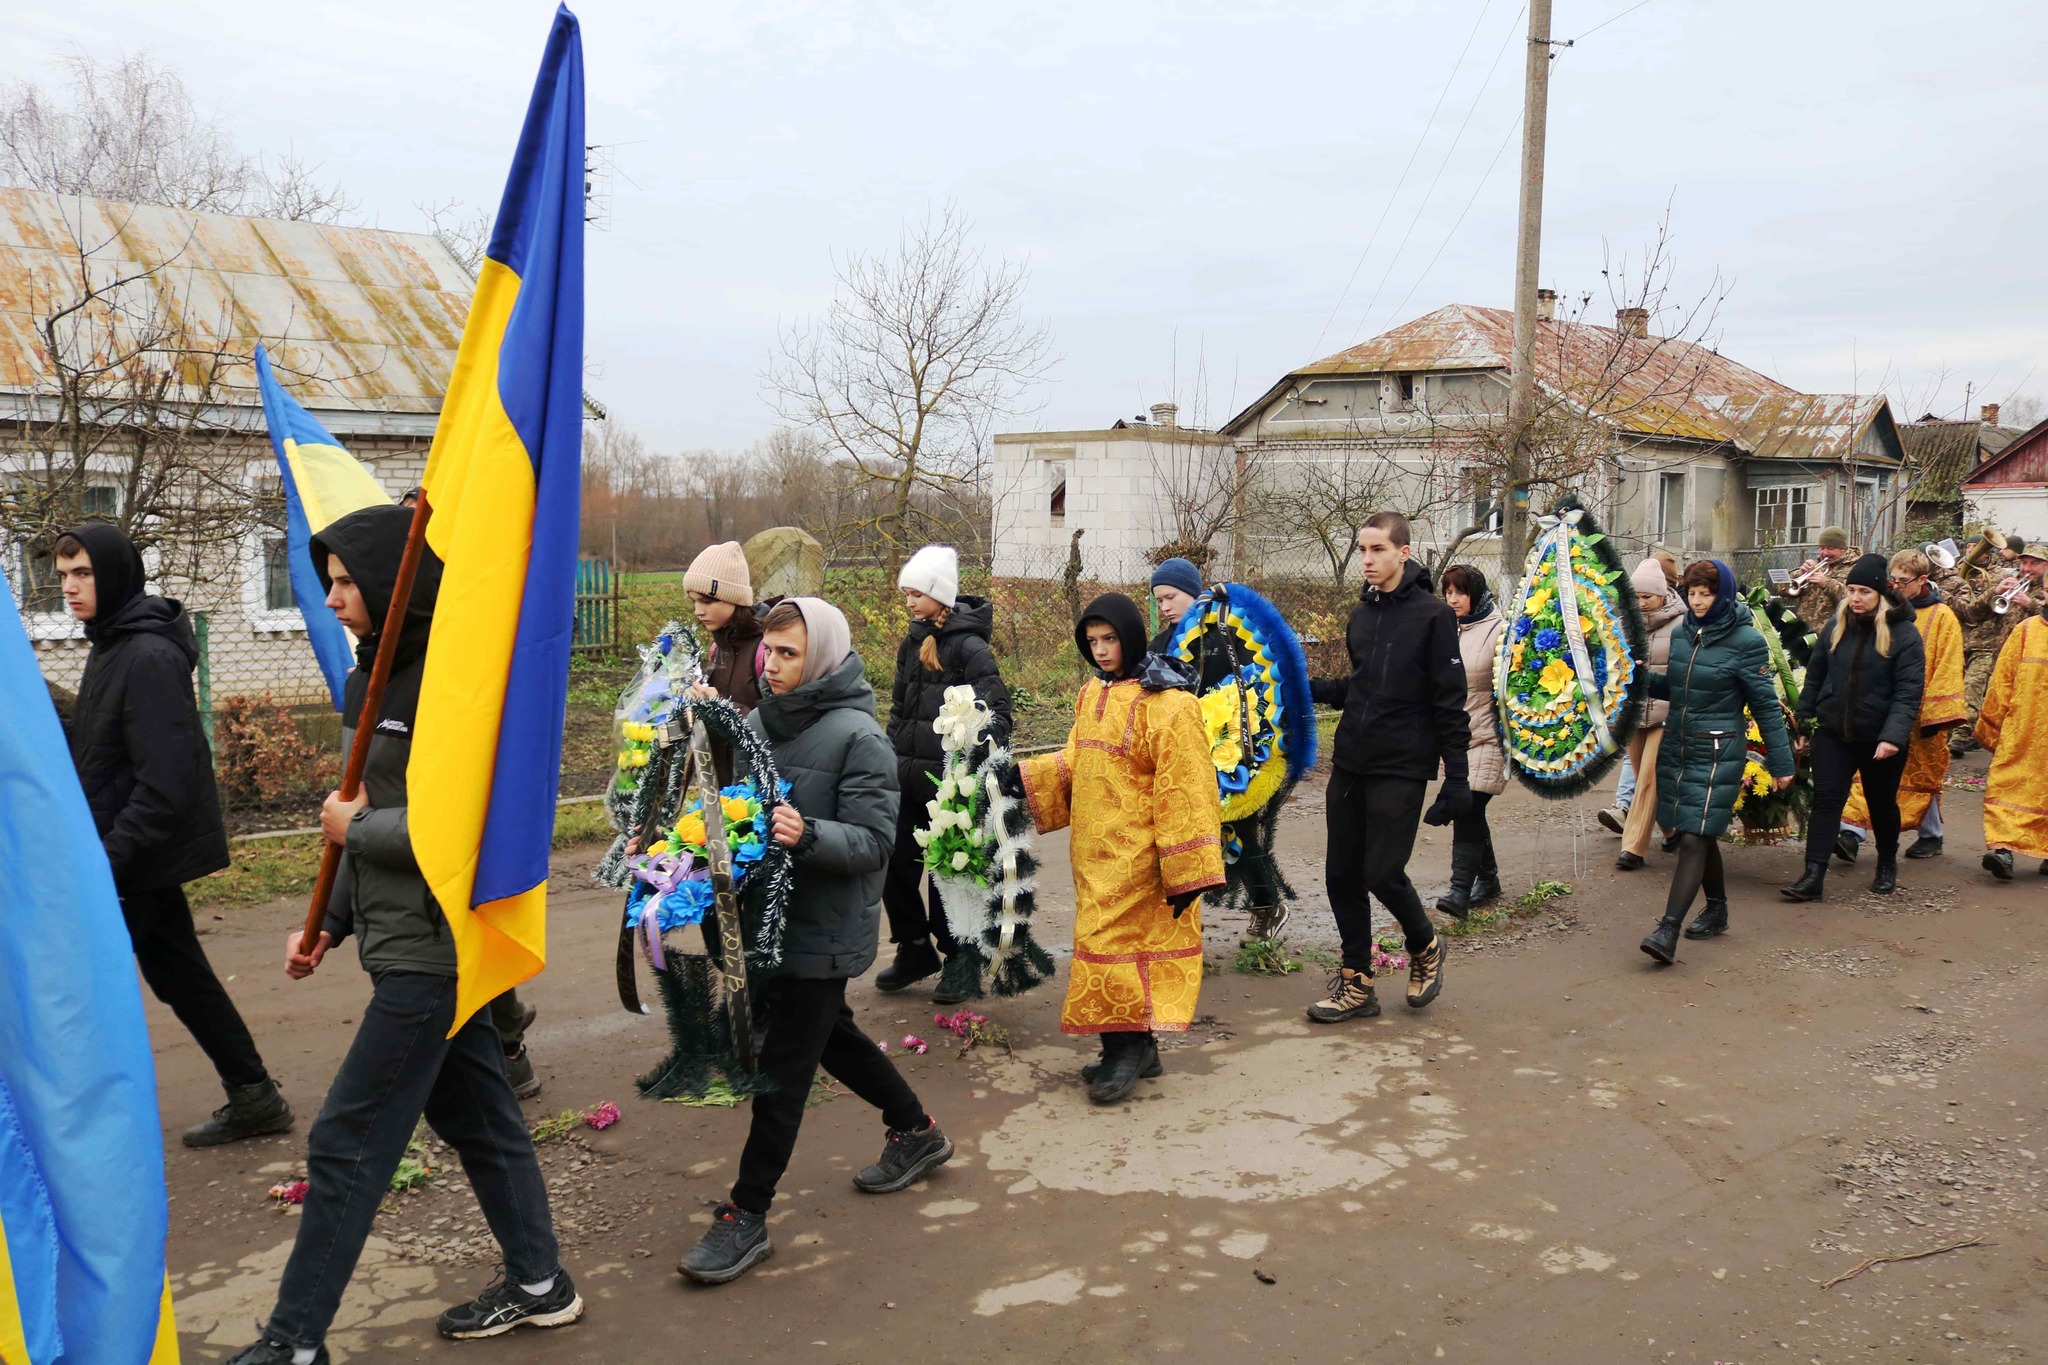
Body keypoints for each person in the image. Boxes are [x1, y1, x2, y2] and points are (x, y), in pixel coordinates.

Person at [227, 506, 579, 1365]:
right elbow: (370, 805)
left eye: (348, 581)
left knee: (345, 1138)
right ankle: (541, 1283)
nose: (333, 598)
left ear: (394, 583)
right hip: (397, 940)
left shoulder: (451, 687)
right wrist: (330, 921)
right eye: (330, 582)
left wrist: (355, 831)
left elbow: (459, 831)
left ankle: (294, 1341)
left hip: (434, 950)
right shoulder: (369, 680)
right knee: (479, 1116)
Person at [678, 598, 953, 1284]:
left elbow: (875, 842)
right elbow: (736, 811)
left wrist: (809, 834)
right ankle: (916, 1130)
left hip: (822, 930)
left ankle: (746, 1214)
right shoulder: (759, 722)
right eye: (768, 651)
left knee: (783, 1072)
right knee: (833, 1038)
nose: (770, 666)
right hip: (770, 923)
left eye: (788, 654)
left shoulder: (860, 738)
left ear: (822, 658)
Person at [52, 522, 292, 1148]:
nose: (69, 587)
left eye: (83, 573)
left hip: (131, 856)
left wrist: (105, 861)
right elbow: (103, 746)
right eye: (63, 575)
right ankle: (255, 1096)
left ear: (115, 575)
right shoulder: (112, 643)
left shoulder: (147, 656)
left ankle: (78, 1129)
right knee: (180, 975)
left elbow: (166, 783)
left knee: (74, 986)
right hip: (129, 855)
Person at [1018, 593, 1225, 1103]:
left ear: (1130, 636)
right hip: (1094, 855)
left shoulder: (1170, 704)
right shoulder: (1092, 692)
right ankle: (1139, 1049)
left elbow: (1188, 788)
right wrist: (1020, 776)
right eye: (1092, 641)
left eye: (1109, 639)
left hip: (1143, 857)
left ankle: (1124, 1052)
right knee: (1105, 946)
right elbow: (1076, 761)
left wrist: (1188, 868)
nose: (1101, 650)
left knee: (1117, 947)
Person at [1303, 512, 1469, 1021]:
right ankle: (1357, 985)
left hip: (1402, 763)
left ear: (1404, 552)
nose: (1368, 559)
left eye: (1378, 549)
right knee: (1340, 874)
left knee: (1380, 871)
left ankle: (1425, 945)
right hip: (1352, 759)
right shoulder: (1363, 614)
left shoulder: (1433, 616)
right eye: (1362, 549)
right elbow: (1360, 687)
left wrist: (1458, 777)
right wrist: (1306, 687)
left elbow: (1449, 701)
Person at [1638, 561, 1795, 962]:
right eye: (1692, 593)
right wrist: (1638, 678)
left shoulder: (1747, 641)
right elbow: (1677, 688)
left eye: (1706, 594)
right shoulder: (1683, 633)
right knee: (1698, 830)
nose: (1697, 601)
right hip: (1679, 745)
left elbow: (1766, 706)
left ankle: (1667, 929)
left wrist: (1782, 763)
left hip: (1717, 750)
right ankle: (1718, 908)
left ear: (1722, 594)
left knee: (1694, 836)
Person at [875, 545, 1012, 1001]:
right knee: (893, 861)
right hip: (906, 776)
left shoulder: (969, 647)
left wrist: (973, 750)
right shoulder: (911, 642)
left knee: (947, 872)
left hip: (951, 784)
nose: (910, 602)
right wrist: (889, 755)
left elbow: (998, 710)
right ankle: (914, 948)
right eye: (906, 594)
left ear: (941, 594)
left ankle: (959, 960)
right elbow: (899, 708)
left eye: (917, 593)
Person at [1149, 555, 1290, 943]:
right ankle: (1181, 923)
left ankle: (1267, 905)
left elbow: (1254, 683)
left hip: (1231, 755)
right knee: (1179, 838)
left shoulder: (1225, 635)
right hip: (1181, 755)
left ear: (1193, 594)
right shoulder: (1160, 645)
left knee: (1239, 831)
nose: (1165, 607)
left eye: (1171, 597)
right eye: (1159, 600)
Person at [1780, 555, 1925, 901]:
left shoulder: (1904, 633)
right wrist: (1804, 720)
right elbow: (1816, 674)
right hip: (1834, 731)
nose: (1855, 598)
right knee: (1826, 800)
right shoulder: (1838, 624)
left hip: (1879, 737)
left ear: (1881, 593)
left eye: (1864, 591)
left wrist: (1892, 736)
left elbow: (1908, 692)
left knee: (1881, 803)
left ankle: (1886, 863)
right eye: (1851, 590)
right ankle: (1813, 875)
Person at [1837, 550, 1964, 862]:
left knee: (1922, 776)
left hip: (1924, 713)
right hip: (1882, 709)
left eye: (1903, 581)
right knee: (1867, 774)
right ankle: (1851, 833)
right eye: (1891, 579)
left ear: (1923, 580)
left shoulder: (1943, 616)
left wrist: (1937, 713)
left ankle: (1930, 835)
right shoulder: (1882, 610)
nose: (1895, 586)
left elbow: (1949, 664)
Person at [1434, 564, 1505, 917]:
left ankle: (1459, 891)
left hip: (1489, 736)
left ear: (1475, 594)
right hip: (1457, 741)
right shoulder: (1447, 629)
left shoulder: (1499, 630)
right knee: (1471, 809)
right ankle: (1488, 878)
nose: (1453, 599)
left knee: (1469, 807)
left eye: (1460, 592)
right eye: (1448, 592)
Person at [1613, 559, 1686, 871]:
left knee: (1648, 778)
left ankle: (1633, 848)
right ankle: (1672, 831)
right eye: (1636, 597)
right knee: (1647, 777)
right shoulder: (1623, 624)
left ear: (1663, 593)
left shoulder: (1681, 624)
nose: (1641, 603)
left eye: (1648, 597)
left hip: (1666, 712)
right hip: (1633, 713)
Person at [1974, 591, 2048, 881]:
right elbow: (2001, 681)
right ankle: (2002, 849)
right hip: (2022, 733)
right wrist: (1994, 726)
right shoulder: (2025, 631)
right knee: (2007, 783)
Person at [682, 539, 769, 781]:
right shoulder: (717, 649)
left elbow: (777, 723)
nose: (698, 611)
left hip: (756, 786)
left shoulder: (766, 650)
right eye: (694, 601)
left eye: (707, 601)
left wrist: (721, 707)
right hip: (720, 785)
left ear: (735, 598)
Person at [1953, 541, 2048, 753]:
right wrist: (1994, 592)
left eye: (2034, 564)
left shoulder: (2045, 592)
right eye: (2024, 563)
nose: (2027, 568)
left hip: (2034, 664)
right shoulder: (2010, 583)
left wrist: (2030, 604)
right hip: (2001, 658)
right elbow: (1972, 615)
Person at [1777, 525, 1855, 631]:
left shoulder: (1855, 568)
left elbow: (1852, 600)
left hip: (1833, 631)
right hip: (1804, 630)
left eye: (1830, 548)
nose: (1825, 553)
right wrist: (1799, 574)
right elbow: (1782, 590)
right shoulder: (1815, 565)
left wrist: (1826, 583)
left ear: (1843, 549)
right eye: (1822, 548)